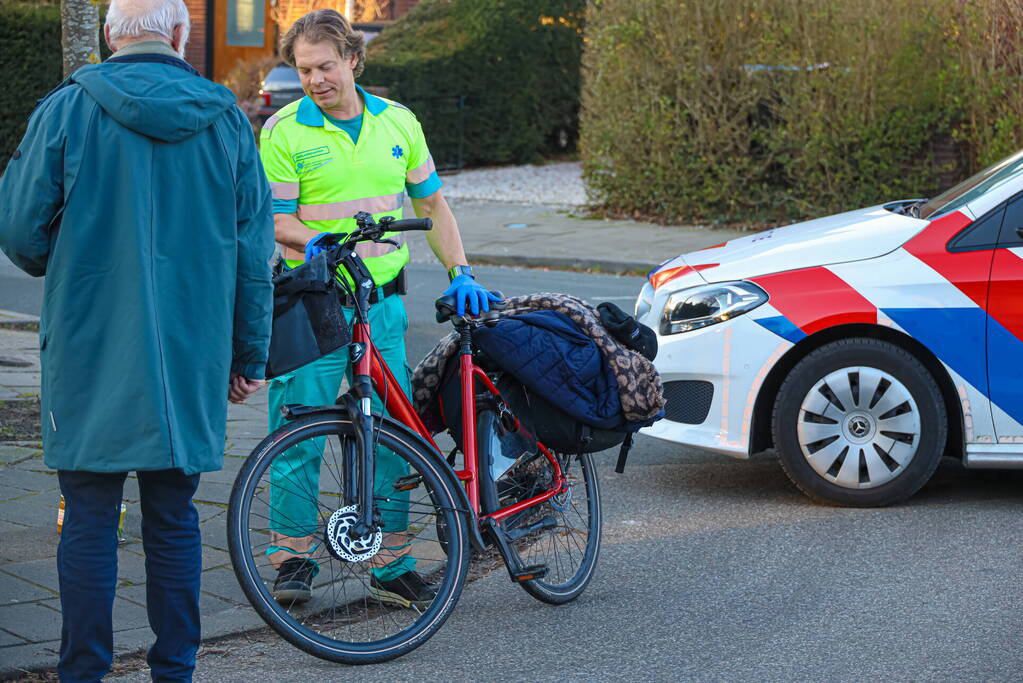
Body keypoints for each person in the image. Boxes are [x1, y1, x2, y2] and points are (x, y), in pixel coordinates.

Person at [0, 0, 274, 678]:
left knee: (90, 515)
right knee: (174, 516)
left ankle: (84, 670)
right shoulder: (227, 122)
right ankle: (174, 668)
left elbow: (20, 234)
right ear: (181, 35)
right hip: (190, 348)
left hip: (90, 343)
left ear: (105, 34)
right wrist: (248, 353)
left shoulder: (64, 111)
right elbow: (252, 252)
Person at [260, 8, 496, 608]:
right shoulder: (285, 131)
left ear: (354, 61)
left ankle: (390, 562)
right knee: (297, 433)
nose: (314, 79)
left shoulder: (399, 124)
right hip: (311, 305)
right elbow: (276, 216)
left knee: (392, 436)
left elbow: (434, 206)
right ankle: (293, 559)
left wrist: (460, 270)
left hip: (381, 306)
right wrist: (311, 241)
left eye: (325, 66)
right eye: (303, 68)